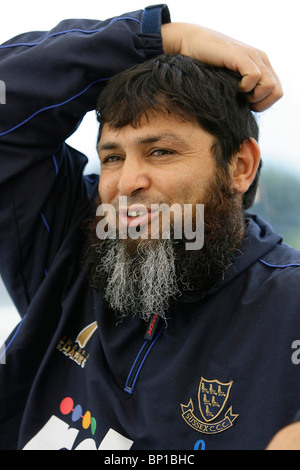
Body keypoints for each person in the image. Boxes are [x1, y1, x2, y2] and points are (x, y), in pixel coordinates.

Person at [0, 3, 291, 451]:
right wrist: (158, 38)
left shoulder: (288, 305)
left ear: (240, 165)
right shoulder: (70, 239)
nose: (126, 185)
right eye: (112, 157)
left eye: (160, 152)